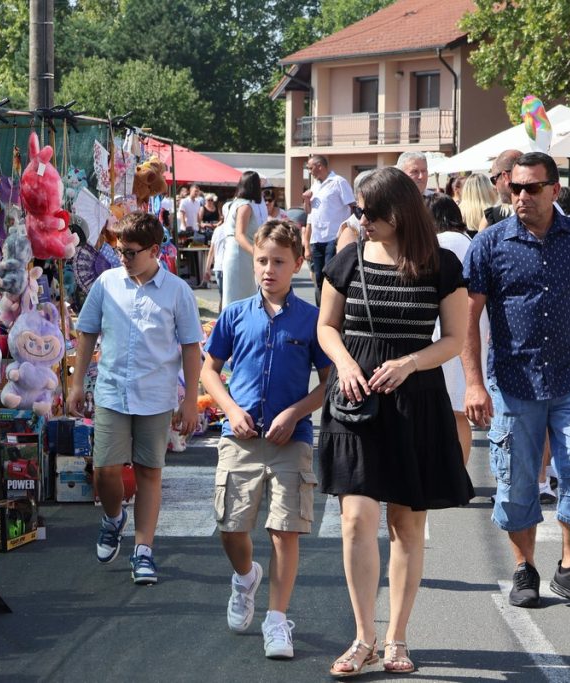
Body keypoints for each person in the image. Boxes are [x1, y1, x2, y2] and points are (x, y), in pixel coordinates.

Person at [318, 167, 473, 677]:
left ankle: (396, 639)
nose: (358, 219)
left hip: (416, 400)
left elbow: (454, 339)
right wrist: (343, 364)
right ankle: (362, 638)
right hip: (355, 397)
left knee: (406, 523)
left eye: (366, 211)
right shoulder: (346, 260)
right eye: (356, 211)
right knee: (355, 518)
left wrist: (409, 363)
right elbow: (326, 327)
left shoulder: (442, 265)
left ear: (397, 212)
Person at [462, 151, 570, 615]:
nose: (521, 196)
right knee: (516, 481)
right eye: (515, 188)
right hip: (513, 382)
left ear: (555, 190)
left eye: (532, 188)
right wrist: (473, 384)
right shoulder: (490, 244)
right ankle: (525, 568)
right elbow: (468, 319)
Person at [201, 219, 332, 660]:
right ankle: (244, 577)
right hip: (239, 438)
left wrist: (296, 413)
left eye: (279, 261)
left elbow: (328, 383)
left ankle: (276, 620)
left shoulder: (313, 320)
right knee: (231, 526)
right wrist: (231, 411)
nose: (269, 270)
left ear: (297, 263)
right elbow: (209, 371)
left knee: (284, 529)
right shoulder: (235, 314)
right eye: (261, 261)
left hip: (291, 440)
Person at [67, 212, 204, 586]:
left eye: (130, 252)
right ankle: (113, 519)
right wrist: (77, 383)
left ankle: (143, 550)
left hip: (156, 396)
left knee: (149, 474)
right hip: (111, 392)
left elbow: (192, 348)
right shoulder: (107, 283)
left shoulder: (177, 291)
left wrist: (190, 399)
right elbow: (87, 332)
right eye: (119, 250)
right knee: (105, 470)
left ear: (154, 251)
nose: (123, 258)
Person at [426, 195, 488, 465]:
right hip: (472, 328)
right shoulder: (468, 241)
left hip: (444, 331)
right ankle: (459, 471)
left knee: (445, 409)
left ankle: (447, 471)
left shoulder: (441, 244)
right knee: (458, 411)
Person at [303, 155, 355, 303]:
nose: (309, 171)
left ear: (320, 166)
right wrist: (306, 200)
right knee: (318, 276)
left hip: (333, 236)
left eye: (310, 167)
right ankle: (320, 310)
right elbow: (309, 213)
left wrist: (348, 232)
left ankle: (334, 309)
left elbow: (352, 206)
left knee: (331, 275)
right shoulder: (315, 185)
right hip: (317, 238)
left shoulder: (338, 182)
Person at [221, 171, 266, 308]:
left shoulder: (233, 204)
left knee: (234, 295)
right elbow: (239, 235)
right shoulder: (245, 206)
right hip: (240, 254)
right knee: (242, 297)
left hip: (233, 252)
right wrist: (256, 253)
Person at [481, 149, 523, 229]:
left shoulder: (493, 217)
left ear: (505, 176)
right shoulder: (546, 209)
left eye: (493, 180)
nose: (494, 186)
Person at [203, 217, 230, 312]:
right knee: (228, 297)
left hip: (219, 267)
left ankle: (221, 319)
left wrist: (207, 268)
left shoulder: (217, 230)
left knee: (223, 296)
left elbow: (211, 251)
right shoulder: (233, 228)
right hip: (228, 266)